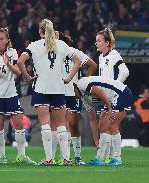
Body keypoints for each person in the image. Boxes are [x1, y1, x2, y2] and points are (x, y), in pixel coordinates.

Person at [17, 19, 81, 165]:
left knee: (45, 124)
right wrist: (69, 78)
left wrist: (27, 77)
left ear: (40, 31)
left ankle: (49, 158)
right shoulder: (61, 44)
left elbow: (20, 62)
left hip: (41, 88)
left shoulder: (34, 45)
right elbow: (77, 60)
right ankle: (66, 158)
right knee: (61, 125)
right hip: (58, 88)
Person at [0, 27, 36, 165]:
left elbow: (18, 72)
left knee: (19, 124)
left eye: (1, 39)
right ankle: (2, 157)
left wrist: (8, 64)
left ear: (7, 40)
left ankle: (21, 155)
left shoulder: (12, 53)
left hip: (11, 94)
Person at [57, 32, 98, 165]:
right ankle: (64, 156)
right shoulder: (52, 54)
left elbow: (93, 65)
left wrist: (82, 84)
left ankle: (78, 157)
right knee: (60, 125)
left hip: (73, 93)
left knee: (73, 123)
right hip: (57, 92)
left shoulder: (74, 52)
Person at [74, 76, 133, 166]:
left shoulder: (81, 83)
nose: (72, 96)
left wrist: (109, 109)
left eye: (71, 92)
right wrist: (96, 141)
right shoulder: (84, 98)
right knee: (102, 127)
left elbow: (100, 92)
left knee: (111, 126)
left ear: (73, 86)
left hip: (121, 93)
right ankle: (100, 158)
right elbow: (93, 120)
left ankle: (117, 159)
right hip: (111, 98)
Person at [96, 27, 129, 163]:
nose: (96, 43)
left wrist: (115, 85)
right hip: (107, 97)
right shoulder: (100, 57)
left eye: (99, 41)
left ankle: (117, 157)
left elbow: (125, 71)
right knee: (102, 126)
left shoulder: (114, 55)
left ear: (107, 43)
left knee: (112, 125)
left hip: (118, 95)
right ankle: (103, 157)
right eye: (96, 41)